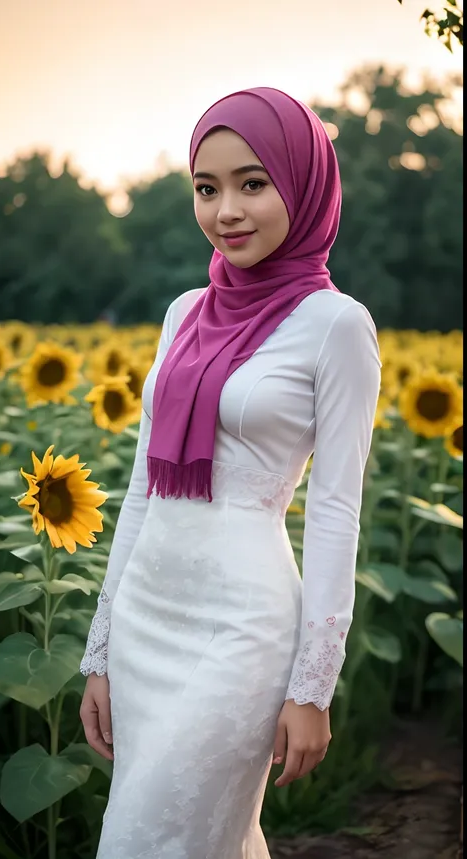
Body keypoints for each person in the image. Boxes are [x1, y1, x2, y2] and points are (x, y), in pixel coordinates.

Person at [79, 86, 381, 859]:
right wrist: (102, 651)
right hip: (148, 615)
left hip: (241, 631)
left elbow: (335, 510)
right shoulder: (185, 312)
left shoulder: (336, 326)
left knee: (151, 840)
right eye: (206, 188)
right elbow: (145, 488)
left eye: (253, 182)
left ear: (305, 184)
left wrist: (312, 687)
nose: (227, 211)